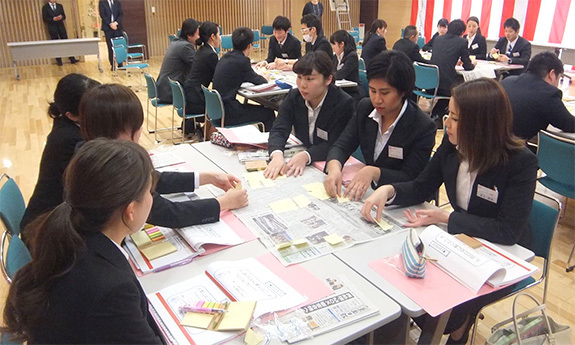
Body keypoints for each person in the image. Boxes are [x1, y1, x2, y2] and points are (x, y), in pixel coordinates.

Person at [361, 78, 538, 344]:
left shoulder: (520, 162)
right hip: (460, 242)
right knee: (406, 284)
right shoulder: (452, 146)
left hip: (502, 253)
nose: (447, 124)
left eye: (455, 118)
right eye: (449, 115)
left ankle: (457, 331)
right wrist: (388, 190)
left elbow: (507, 230)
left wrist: (448, 217)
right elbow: (422, 186)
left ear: (481, 124)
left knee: (445, 311)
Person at [2, 139, 165, 343]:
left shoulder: (71, 236)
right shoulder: (111, 289)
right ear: (131, 210)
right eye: (150, 193)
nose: (152, 198)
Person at [79, 84, 248, 228]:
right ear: (119, 132)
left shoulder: (90, 154)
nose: (140, 132)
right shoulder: (113, 168)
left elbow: (153, 179)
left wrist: (205, 178)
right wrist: (223, 203)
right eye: (136, 127)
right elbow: (168, 213)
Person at [324, 50, 436, 201]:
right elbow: (342, 145)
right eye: (372, 90)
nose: (377, 99)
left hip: (399, 200)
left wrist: (374, 172)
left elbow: (411, 177)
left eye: (384, 92)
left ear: (403, 91)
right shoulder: (366, 108)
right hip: (368, 193)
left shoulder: (422, 126)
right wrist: (334, 168)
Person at [20, 74, 100, 239]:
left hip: (53, 217)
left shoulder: (66, 125)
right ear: (71, 114)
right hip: (45, 230)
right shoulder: (71, 140)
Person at [264, 52, 354, 179]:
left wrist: (306, 156)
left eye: (309, 79)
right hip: (303, 157)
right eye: (299, 77)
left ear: (328, 79)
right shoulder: (294, 96)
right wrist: (277, 155)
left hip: (327, 163)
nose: (302, 84)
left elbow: (336, 143)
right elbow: (279, 129)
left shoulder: (343, 103)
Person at [502, 51, 575, 140]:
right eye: (559, 78)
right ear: (552, 74)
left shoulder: (507, 81)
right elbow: (570, 124)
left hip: (490, 145)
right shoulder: (548, 94)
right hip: (516, 149)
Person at [212, 27, 276, 130]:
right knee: (268, 113)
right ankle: (268, 143)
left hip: (217, 110)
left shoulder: (226, 57)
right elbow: (260, 81)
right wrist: (265, 76)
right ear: (250, 45)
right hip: (228, 112)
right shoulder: (242, 61)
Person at [430, 19, 475, 118]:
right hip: (444, 86)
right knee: (459, 84)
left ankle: (436, 114)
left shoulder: (438, 38)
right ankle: (440, 115)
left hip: (429, 83)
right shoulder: (462, 42)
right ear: (462, 32)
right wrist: (473, 64)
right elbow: (467, 66)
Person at [156, 18, 200, 104]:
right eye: (198, 34)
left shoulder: (175, 42)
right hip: (171, 92)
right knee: (201, 99)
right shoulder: (185, 47)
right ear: (189, 36)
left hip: (163, 89)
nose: (199, 37)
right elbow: (197, 66)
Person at [184, 21, 220, 115]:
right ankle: (209, 130)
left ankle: (205, 129)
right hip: (196, 100)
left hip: (190, 97)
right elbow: (219, 75)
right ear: (213, 36)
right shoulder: (210, 54)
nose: (220, 38)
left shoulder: (202, 50)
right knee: (223, 108)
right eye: (219, 35)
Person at [329, 30, 363, 101]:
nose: (332, 47)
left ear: (341, 44)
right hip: (340, 89)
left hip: (352, 91)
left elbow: (342, 74)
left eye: (334, 44)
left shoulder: (352, 56)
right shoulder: (335, 57)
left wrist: (331, 76)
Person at [42, 0, 78, 66]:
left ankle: (71, 58)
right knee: (55, 44)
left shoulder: (59, 6)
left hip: (61, 27)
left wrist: (61, 17)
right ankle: (59, 60)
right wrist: (53, 19)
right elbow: (45, 19)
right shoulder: (45, 7)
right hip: (52, 28)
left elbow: (64, 16)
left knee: (66, 42)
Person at [99, 0, 124, 69]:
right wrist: (110, 24)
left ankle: (120, 63)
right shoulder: (102, 2)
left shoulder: (117, 2)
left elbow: (121, 14)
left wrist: (115, 23)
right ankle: (112, 64)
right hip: (107, 28)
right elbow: (102, 15)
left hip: (117, 27)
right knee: (110, 46)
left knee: (118, 45)